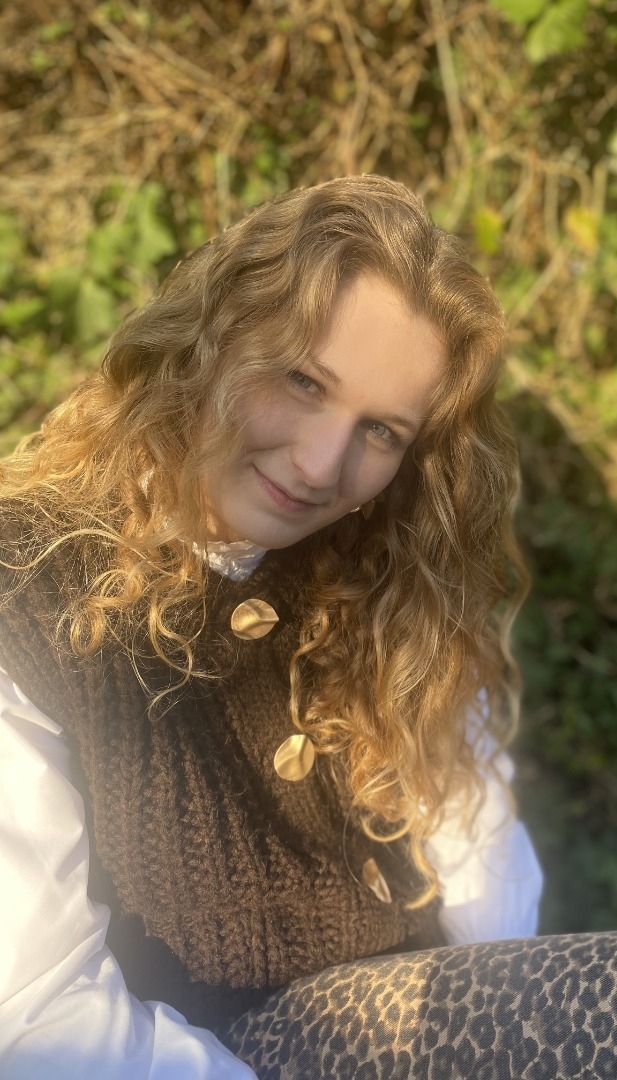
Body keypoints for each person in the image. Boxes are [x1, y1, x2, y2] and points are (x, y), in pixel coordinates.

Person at [0, 175, 615, 1079]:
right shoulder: (24, 584)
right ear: (211, 339)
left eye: (382, 431)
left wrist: (507, 1036)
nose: (322, 465)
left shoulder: (391, 584)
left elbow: (487, 885)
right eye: (302, 380)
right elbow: (37, 1016)